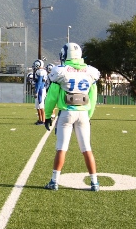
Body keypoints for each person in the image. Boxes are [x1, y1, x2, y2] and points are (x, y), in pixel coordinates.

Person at [43, 42, 101, 192]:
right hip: (83, 113)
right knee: (86, 148)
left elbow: (52, 97)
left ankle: (54, 181)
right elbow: (93, 98)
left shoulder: (60, 71)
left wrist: (48, 115)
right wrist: (89, 115)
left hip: (67, 113)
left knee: (61, 148)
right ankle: (94, 182)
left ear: (64, 55)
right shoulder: (90, 72)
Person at [32, 59, 48, 125]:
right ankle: (40, 119)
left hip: (40, 89)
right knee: (38, 106)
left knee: (40, 105)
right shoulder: (41, 71)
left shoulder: (40, 71)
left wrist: (36, 91)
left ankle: (43, 120)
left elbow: (39, 82)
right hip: (40, 89)